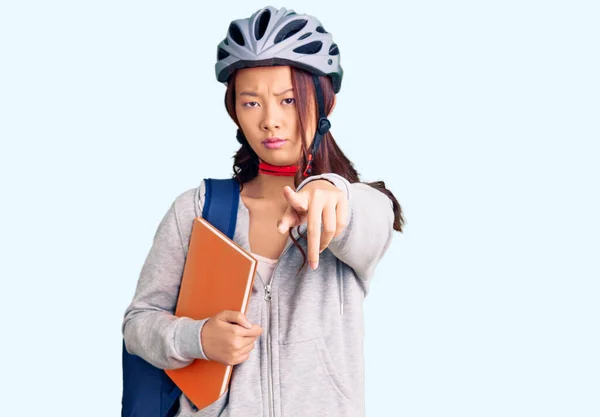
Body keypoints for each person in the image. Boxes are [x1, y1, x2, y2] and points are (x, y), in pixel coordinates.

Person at [122, 5, 405, 417]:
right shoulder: (197, 210)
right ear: (234, 110)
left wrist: (331, 190)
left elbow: (366, 219)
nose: (271, 121)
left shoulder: (359, 207)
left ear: (325, 104)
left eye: (288, 100)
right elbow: (138, 325)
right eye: (251, 103)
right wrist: (197, 338)